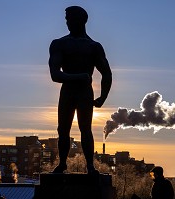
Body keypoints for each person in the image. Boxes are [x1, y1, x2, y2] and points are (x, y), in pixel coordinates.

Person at [49, 6, 112, 174]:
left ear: (82, 21)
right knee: (63, 129)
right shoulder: (60, 44)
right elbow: (55, 75)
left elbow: (107, 73)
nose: (68, 23)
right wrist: (79, 77)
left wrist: (103, 97)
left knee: (86, 129)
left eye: (71, 19)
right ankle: (62, 164)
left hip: (84, 93)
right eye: (67, 20)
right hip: (68, 91)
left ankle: (90, 165)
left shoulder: (93, 46)